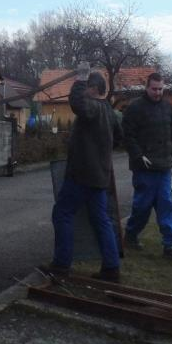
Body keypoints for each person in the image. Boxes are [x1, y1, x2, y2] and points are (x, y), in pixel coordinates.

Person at [47, 63, 123, 282]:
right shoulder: (109, 111)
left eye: (87, 87)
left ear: (93, 89)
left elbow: (77, 103)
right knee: (101, 219)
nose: (85, 91)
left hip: (81, 175)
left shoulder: (92, 107)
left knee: (62, 214)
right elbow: (119, 137)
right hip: (100, 176)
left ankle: (61, 265)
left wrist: (80, 78)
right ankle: (111, 267)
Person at [121, 73, 172, 262]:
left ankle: (170, 246)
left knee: (166, 204)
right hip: (144, 168)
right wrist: (138, 156)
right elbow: (128, 136)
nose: (158, 92)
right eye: (154, 89)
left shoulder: (168, 108)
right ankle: (131, 235)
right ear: (147, 88)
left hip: (164, 166)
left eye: (160, 89)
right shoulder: (135, 108)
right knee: (142, 206)